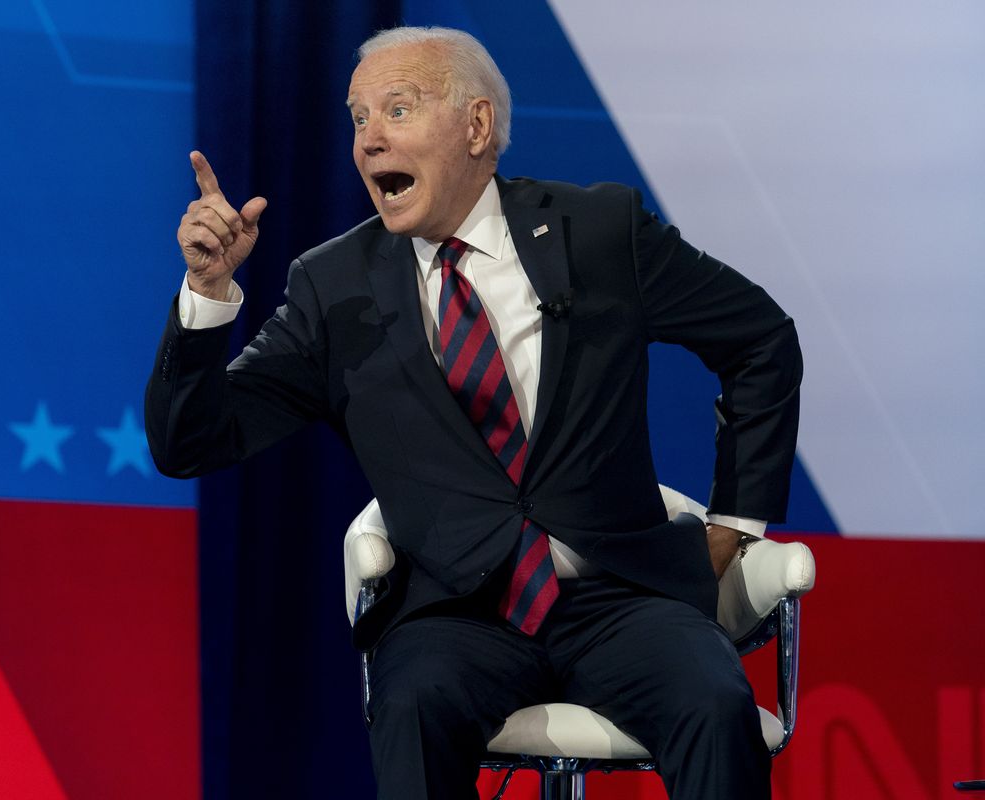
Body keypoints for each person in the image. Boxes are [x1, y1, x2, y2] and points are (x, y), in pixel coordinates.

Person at [146, 25, 801, 800]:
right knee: (413, 703)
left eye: (397, 109)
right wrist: (210, 296)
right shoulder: (335, 288)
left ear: (477, 125)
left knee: (715, 701)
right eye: (358, 119)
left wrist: (736, 521)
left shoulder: (598, 232)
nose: (369, 140)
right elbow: (190, 440)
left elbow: (760, 338)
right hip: (456, 611)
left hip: (623, 596)